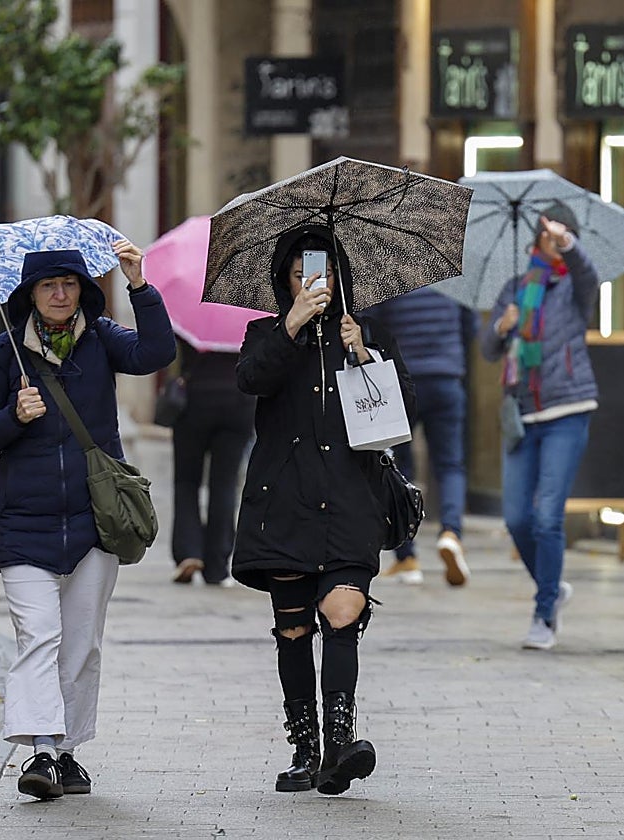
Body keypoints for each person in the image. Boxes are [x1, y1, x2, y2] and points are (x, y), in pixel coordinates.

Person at [0, 240, 175, 799]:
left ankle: (68, 750)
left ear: (84, 290)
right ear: (30, 294)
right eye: (49, 285)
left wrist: (139, 285)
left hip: (94, 520)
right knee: (39, 637)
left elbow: (156, 353)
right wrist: (13, 415)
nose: (60, 294)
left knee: (81, 644)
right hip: (23, 524)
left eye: (71, 284)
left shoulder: (100, 340)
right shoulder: (7, 353)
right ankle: (43, 753)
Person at [232, 225, 414, 796]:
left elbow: (401, 411)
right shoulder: (264, 332)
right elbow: (251, 379)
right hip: (283, 501)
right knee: (292, 628)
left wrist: (363, 353)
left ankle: (340, 743)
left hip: (350, 498)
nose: (316, 282)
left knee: (342, 610)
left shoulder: (366, 333)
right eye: (302, 273)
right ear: (285, 282)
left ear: (342, 277)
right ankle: (305, 749)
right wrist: (292, 326)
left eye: (326, 272)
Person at [479, 203, 599, 651]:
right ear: (534, 238)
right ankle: (552, 586)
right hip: (521, 413)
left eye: (563, 236)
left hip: (567, 410)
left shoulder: (577, 287)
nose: (553, 240)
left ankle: (544, 611)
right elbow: (490, 349)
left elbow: (587, 272)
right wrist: (502, 326)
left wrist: (568, 242)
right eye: (547, 234)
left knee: (548, 517)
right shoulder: (515, 287)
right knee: (516, 518)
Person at [365, 286, 477, 586]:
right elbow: (471, 327)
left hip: (404, 381)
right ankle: (451, 533)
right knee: (451, 464)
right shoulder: (454, 279)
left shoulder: (394, 277)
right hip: (447, 378)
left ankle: (407, 556)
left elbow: (372, 326)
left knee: (399, 468)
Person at [169, 337, 255, 586]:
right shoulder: (247, 311)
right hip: (239, 402)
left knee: (186, 481)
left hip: (194, 400)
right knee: (224, 484)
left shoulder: (192, 311)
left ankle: (188, 552)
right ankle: (217, 565)